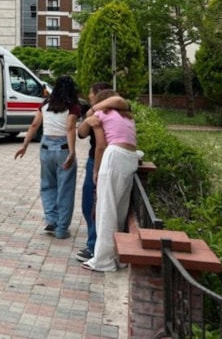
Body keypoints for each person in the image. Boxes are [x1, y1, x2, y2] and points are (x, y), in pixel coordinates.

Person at [14, 75, 81, 239]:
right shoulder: (73, 106)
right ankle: (61, 229)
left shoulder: (45, 104)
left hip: (45, 147)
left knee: (47, 185)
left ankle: (51, 219)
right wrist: (72, 152)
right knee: (65, 188)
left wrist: (25, 145)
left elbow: (35, 124)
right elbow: (70, 128)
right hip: (63, 147)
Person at [80, 89, 138, 272]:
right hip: (130, 157)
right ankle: (118, 256)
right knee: (120, 208)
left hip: (114, 155)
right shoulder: (127, 117)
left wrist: (96, 170)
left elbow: (100, 145)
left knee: (105, 208)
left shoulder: (101, 113)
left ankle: (103, 260)